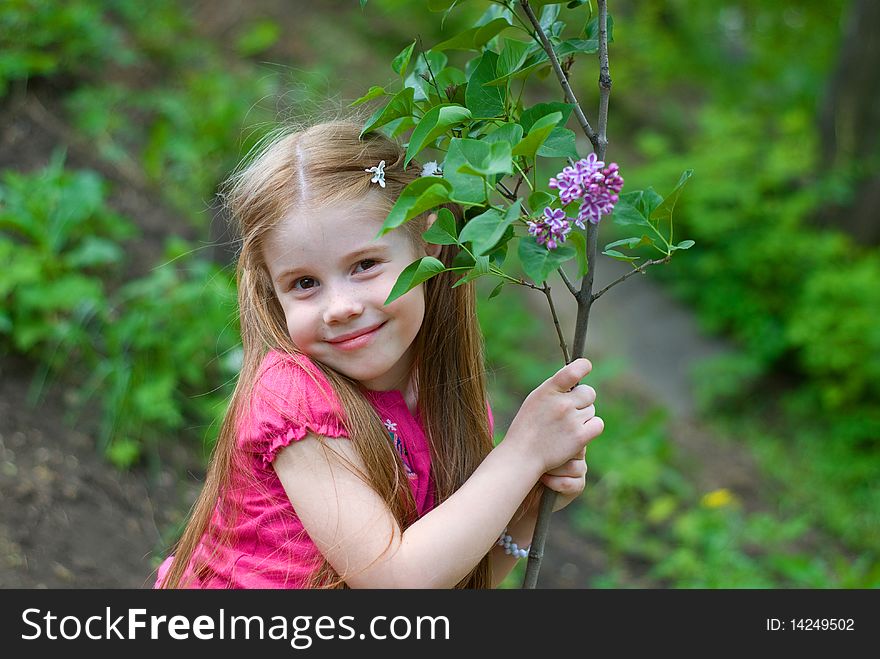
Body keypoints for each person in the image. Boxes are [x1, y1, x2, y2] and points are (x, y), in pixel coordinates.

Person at [155, 119, 604, 589]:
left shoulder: (443, 407)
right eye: (304, 284)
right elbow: (397, 582)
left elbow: (450, 583)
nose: (340, 308)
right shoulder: (295, 398)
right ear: (273, 290)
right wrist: (520, 454)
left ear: (430, 243)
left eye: (365, 265)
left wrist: (524, 516)